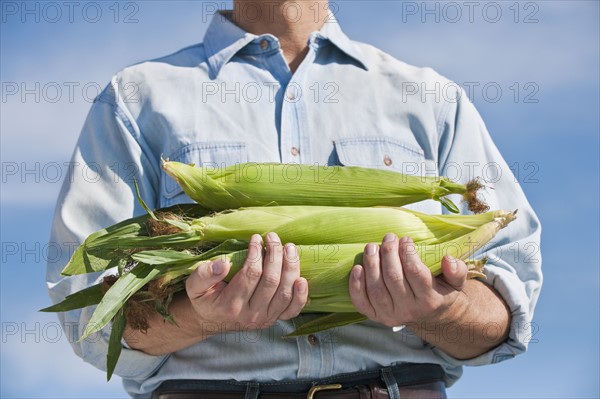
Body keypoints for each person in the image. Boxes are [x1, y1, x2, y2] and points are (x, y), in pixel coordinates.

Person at [46, 1, 542, 398]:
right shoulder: (135, 99)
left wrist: (439, 309)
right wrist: (201, 316)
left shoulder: (431, 99)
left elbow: (506, 309)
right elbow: (90, 316)